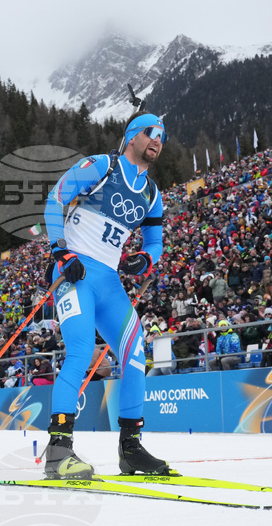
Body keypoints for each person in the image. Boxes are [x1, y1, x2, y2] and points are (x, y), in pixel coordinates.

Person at [41, 113, 169, 478]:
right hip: (75, 272)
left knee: (134, 354)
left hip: (109, 281)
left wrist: (145, 259)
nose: (158, 140)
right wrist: (61, 251)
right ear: (132, 136)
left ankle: (131, 450)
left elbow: (155, 242)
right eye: (151, 133)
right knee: (81, 351)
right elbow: (56, 199)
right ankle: (59, 450)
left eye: (162, 136)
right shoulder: (102, 165)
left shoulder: (151, 194)